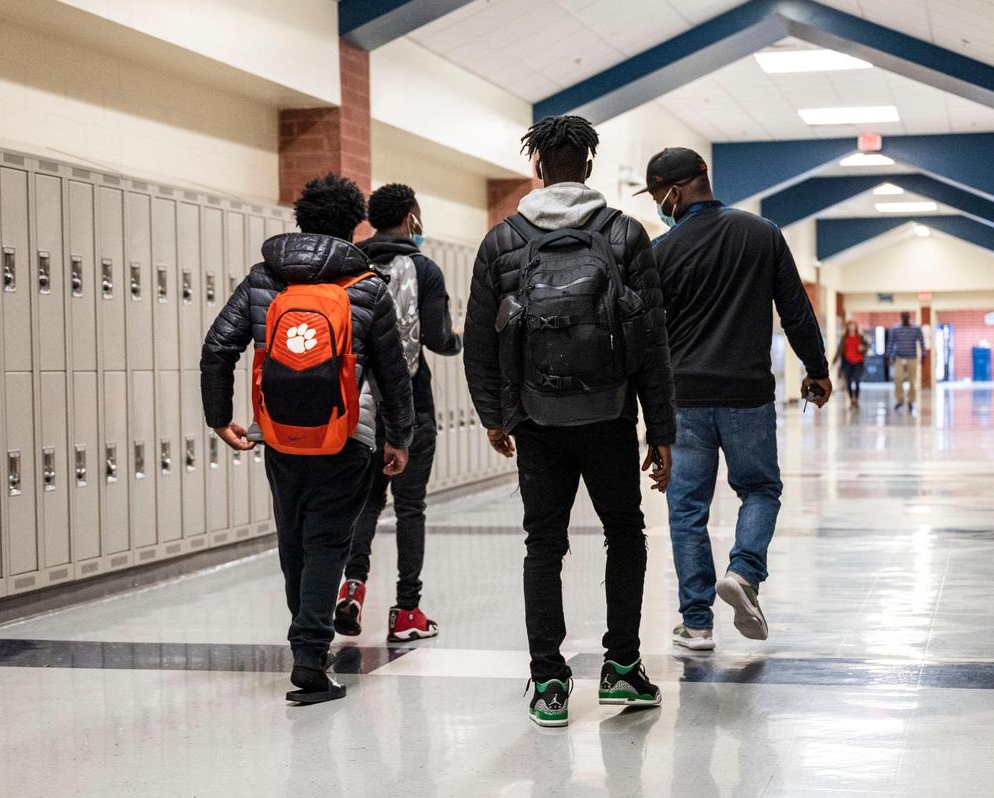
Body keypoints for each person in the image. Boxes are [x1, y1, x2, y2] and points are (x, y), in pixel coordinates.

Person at [463, 115, 676, 727]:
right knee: (625, 535)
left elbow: (480, 339)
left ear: (537, 168)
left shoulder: (502, 240)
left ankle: (550, 682)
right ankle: (623, 669)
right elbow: (651, 343)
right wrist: (660, 430)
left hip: (535, 418)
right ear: (588, 166)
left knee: (543, 546)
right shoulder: (624, 234)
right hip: (609, 416)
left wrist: (495, 416)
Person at [200, 174, 414, 704]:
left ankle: (307, 643)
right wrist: (400, 437)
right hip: (347, 434)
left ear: (299, 219)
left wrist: (220, 417)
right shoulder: (367, 287)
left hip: (278, 433)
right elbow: (393, 374)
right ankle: (308, 653)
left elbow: (218, 346)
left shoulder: (262, 279)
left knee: (293, 535)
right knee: (327, 541)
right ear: (353, 224)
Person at [641, 147, 830, 652]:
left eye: (658, 194)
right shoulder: (761, 234)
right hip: (746, 395)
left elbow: (649, 341)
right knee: (760, 490)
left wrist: (653, 417)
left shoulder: (661, 252)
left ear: (675, 191)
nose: (658, 204)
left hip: (684, 400)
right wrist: (817, 369)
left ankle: (697, 623)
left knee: (686, 510)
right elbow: (796, 312)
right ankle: (743, 572)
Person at [334, 184, 463, 643]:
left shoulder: (350, 262)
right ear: (411, 217)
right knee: (411, 507)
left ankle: (353, 587)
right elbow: (436, 337)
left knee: (366, 502)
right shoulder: (423, 269)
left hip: (358, 406)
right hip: (409, 405)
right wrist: (457, 337)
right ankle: (407, 611)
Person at [888, 311, 925, 411]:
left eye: (906, 316)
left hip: (912, 358)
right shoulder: (895, 328)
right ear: (901, 317)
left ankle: (911, 401)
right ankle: (900, 400)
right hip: (899, 358)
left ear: (909, 317)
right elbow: (891, 343)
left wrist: (923, 355)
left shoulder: (916, 328)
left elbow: (921, 342)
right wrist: (888, 356)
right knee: (897, 378)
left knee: (912, 381)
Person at [834, 320, 870, 408]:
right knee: (848, 382)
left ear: (856, 327)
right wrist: (834, 361)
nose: (851, 327)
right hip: (847, 362)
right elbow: (839, 350)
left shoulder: (861, 337)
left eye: (853, 325)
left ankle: (857, 399)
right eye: (850, 326)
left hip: (858, 362)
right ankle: (851, 400)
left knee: (857, 380)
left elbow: (867, 347)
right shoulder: (844, 337)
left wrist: (863, 348)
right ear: (847, 327)